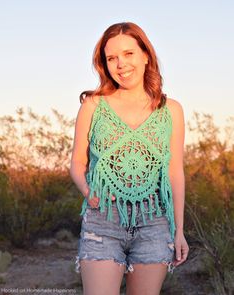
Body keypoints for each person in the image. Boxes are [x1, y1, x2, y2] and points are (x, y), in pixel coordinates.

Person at [70, 22, 189, 295]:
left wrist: (179, 229)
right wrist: (88, 192)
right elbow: (77, 163)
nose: (120, 64)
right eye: (111, 58)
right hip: (103, 220)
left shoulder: (171, 110)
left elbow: (175, 172)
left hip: (155, 222)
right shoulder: (93, 105)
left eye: (128, 54)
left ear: (146, 55)